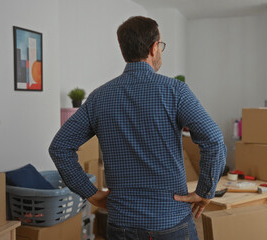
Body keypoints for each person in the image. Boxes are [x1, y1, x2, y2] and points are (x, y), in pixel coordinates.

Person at [49, 16, 227, 240]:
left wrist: (91, 194)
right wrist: (204, 191)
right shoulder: (175, 91)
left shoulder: (99, 97)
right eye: (160, 45)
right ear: (154, 48)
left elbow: (59, 147)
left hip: (122, 224)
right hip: (170, 221)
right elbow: (214, 140)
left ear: (124, 50)